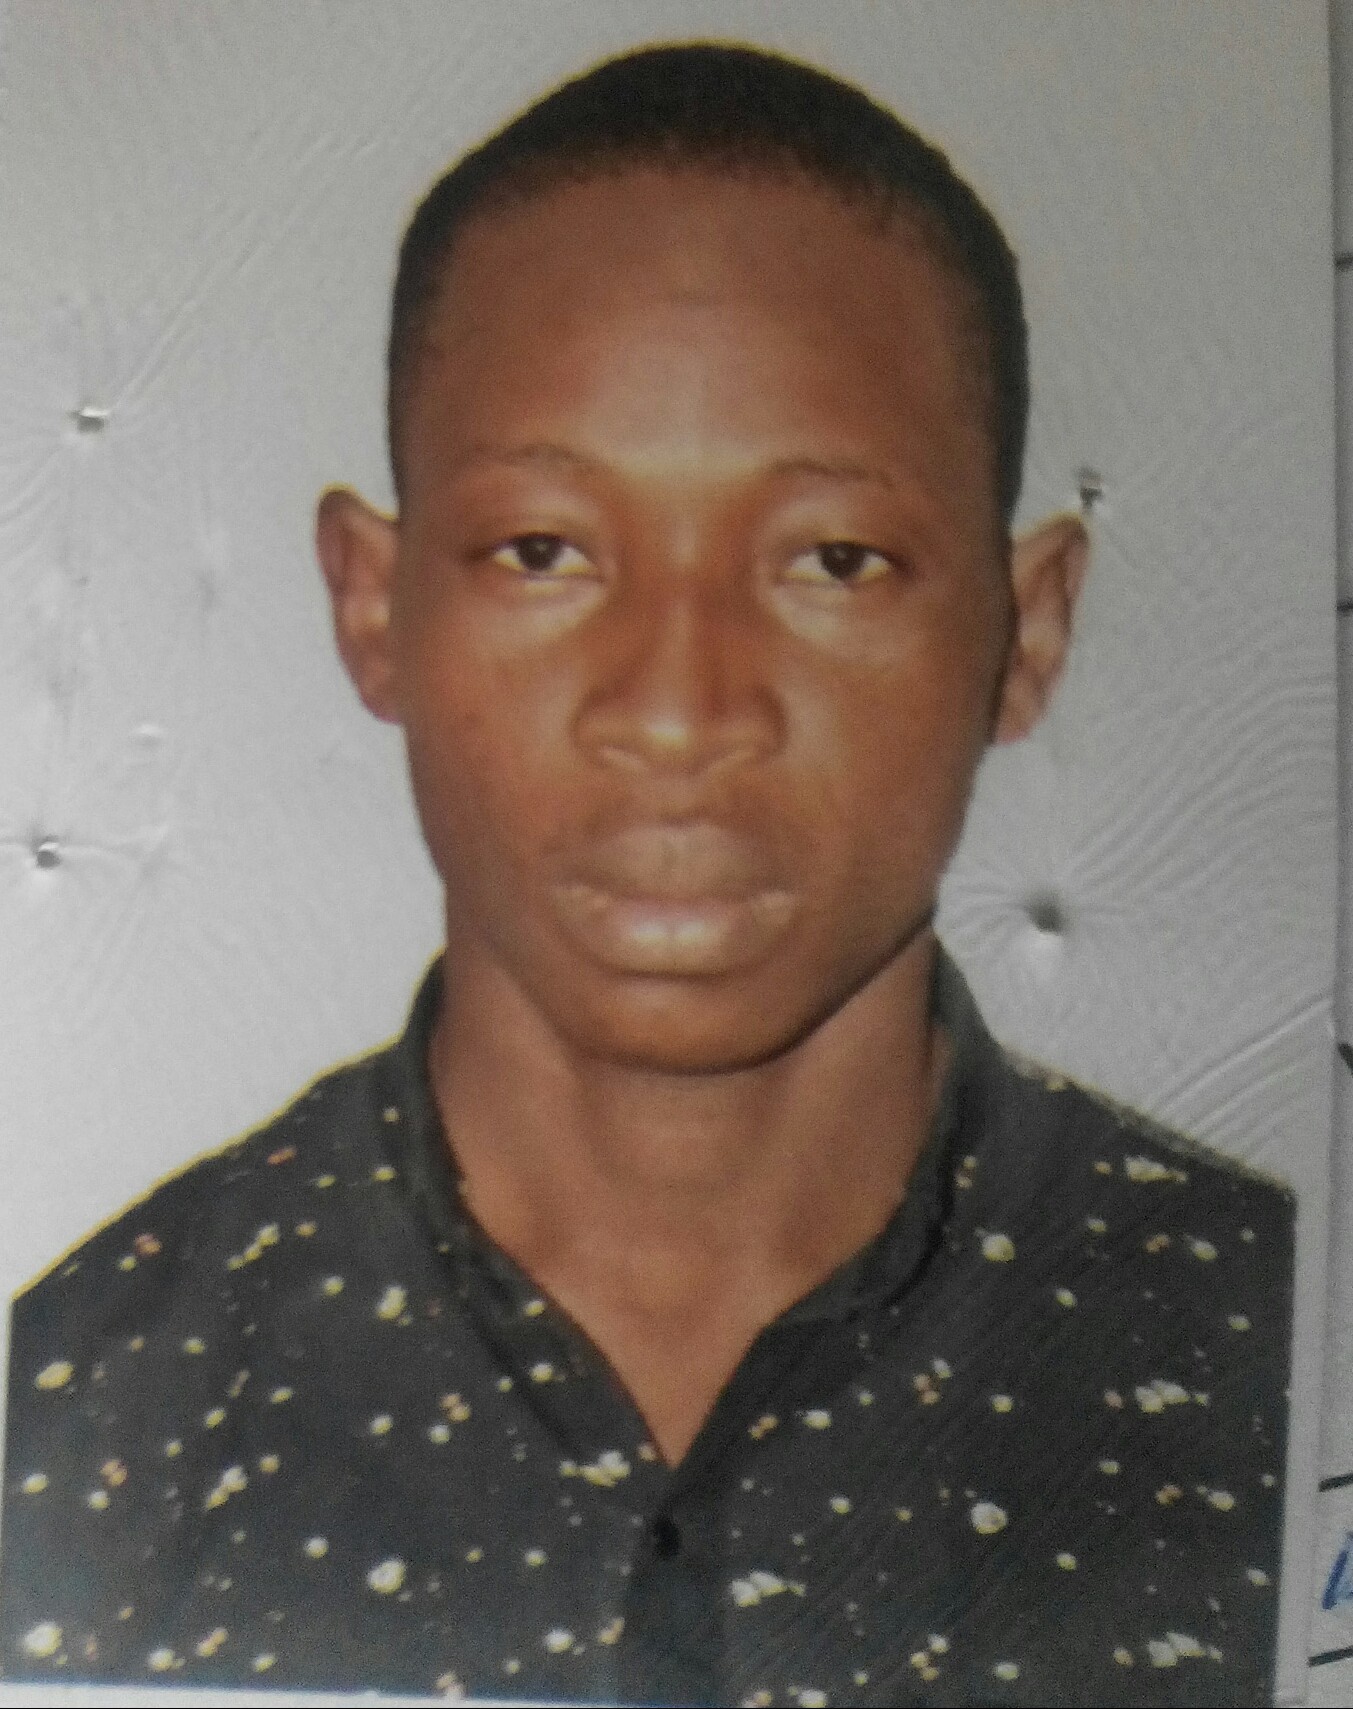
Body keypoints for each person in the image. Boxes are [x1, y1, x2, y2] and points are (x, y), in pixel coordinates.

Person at [0, 41, 1293, 1709]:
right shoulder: (70, 1438)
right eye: (543, 552)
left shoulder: (1289, 1367)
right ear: (373, 609)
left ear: (1023, 631)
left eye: (833, 561)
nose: (679, 712)